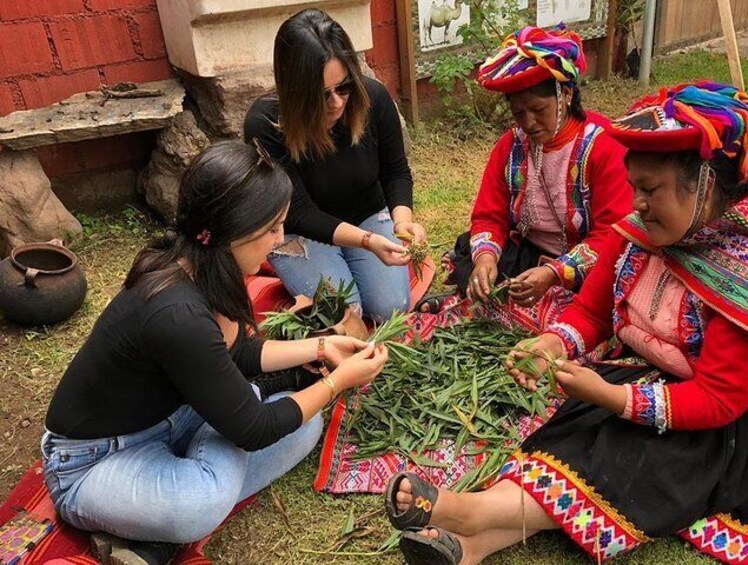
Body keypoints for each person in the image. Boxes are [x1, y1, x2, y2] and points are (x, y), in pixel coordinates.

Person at [384, 82, 748, 564]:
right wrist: (553, 344)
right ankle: (470, 547)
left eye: (649, 190)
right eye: (633, 187)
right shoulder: (638, 235)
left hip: (735, 424)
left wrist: (612, 396)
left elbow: (716, 400)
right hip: (657, 378)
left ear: (704, 184)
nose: (636, 204)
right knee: (573, 434)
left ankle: (473, 515)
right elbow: (591, 311)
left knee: (632, 456)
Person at [41, 140, 388, 565]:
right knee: (202, 501)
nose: (281, 238)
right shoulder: (175, 312)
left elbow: (237, 351)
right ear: (234, 230)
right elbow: (255, 431)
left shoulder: (204, 265)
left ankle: (153, 534)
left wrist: (321, 345)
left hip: (173, 416)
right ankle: (167, 519)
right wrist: (337, 382)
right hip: (94, 462)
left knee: (304, 426)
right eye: (273, 227)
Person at [244, 9, 425, 322]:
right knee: (343, 312)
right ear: (294, 91)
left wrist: (402, 222)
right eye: (321, 95)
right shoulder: (265, 124)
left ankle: (341, 268)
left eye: (343, 87)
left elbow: (395, 171)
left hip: (367, 214)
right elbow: (298, 211)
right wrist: (367, 242)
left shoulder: (373, 98)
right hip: (301, 233)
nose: (338, 103)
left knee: (390, 308)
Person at [448, 24, 631, 310]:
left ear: (566, 95)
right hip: (530, 252)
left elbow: (613, 232)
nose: (528, 122)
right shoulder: (510, 147)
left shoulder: (604, 145)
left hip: (587, 260)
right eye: (519, 113)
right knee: (469, 254)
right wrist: (485, 259)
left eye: (538, 110)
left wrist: (554, 273)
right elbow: (489, 216)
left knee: (613, 288)